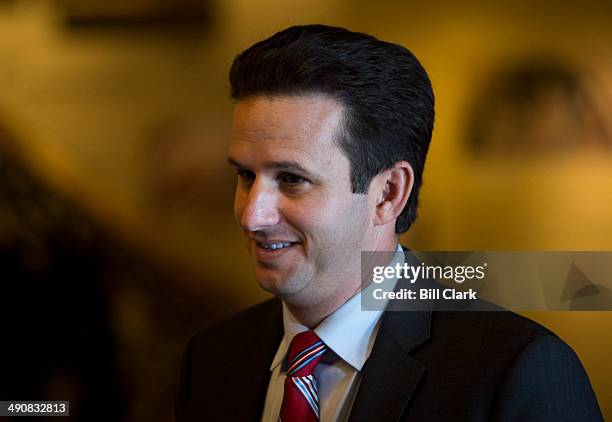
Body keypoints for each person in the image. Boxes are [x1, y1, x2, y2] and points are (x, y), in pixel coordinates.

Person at [175, 24, 603, 421]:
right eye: (246, 176)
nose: (252, 214)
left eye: (292, 179)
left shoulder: (516, 371)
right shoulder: (212, 359)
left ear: (388, 194)